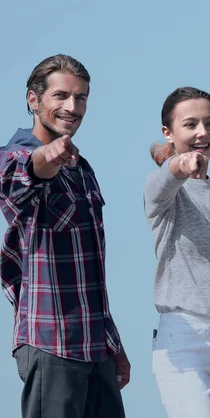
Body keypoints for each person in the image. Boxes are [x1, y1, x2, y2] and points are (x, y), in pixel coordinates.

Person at [0, 54, 129, 418]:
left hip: (95, 347)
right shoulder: (16, 154)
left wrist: (112, 343)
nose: (72, 107)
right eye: (60, 96)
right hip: (50, 342)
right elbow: (23, 171)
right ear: (33, 100)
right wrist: (47, 156)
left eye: (81, 97)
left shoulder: (83, 170)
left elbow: (90, 273)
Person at [144, 87, 210, 418]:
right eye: (190, 124)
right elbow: (164, 180)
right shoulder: (162, 190)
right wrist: (182, 163)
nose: (202, 133)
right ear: (169, 133)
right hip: (186, 338)